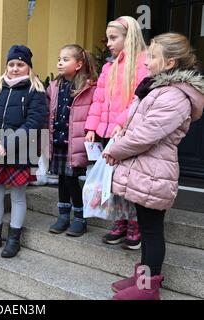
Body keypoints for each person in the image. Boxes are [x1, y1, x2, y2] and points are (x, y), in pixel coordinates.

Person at [103, 33, 204, 300]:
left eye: (152, 56)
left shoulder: (175, 96)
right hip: (145, 170)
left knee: (151, 231)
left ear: (170, 63)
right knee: (146, 229)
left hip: (154, 172)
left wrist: (114, 150)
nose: (145, 61)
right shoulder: (158, 88)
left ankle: (148, 289)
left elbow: (146, 134)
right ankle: (142, 279)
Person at [0, 45, 47, 258]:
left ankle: (14, 238)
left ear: (28, 67)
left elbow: (33, 122)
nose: (15, 68)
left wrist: (7, 143)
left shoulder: (35, 92)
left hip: (20, 152)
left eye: (20, 64)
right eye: (11, 64)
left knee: (17, 197)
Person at [85, 16, 149, 250]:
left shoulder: (143, 64)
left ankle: (135, 224)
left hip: (128, 133)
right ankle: (120, 220)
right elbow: (99, 100)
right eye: (108, 38)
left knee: (128, 181)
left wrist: (122, 123)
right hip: (107, 133)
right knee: (112, 180)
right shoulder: (108, 67)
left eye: (114, 38)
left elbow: (139, 99)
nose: (109, 43)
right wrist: (92, 127)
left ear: (128, 37)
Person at [46, 45, 98, 237]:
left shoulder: (88, 87)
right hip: (58, 142)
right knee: (61, 179)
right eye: (59, 58)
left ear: (79, 64)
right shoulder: (55, 86)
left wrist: (91, 131)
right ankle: (63, 216)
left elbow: (94, 112)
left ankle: (80, 217)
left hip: (74, 144)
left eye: (65, 59)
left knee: (71, 179)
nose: (60, 62)